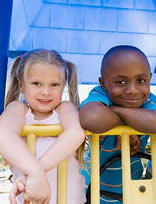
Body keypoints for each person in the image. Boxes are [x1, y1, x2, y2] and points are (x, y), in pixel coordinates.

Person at [80, 45, 156, 203]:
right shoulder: (99, 94)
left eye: (141, 80)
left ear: (150, 78)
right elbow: (91, 118)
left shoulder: (149, 100)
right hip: (92, 189)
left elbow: (153, 122)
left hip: (132, 190)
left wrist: (114, 111)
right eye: (121, 82)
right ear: (103, 83)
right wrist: (130, 122)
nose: (132, 90)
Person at [3, 49, 86, 204]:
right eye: (36, 83)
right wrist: (35, 173)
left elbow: (75, 133)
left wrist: (36, 173)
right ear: (21, 85)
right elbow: (3, 133)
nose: (46, 92)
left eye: (54, 85)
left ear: (63, 87)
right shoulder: (18, 109)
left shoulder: (64, 109)